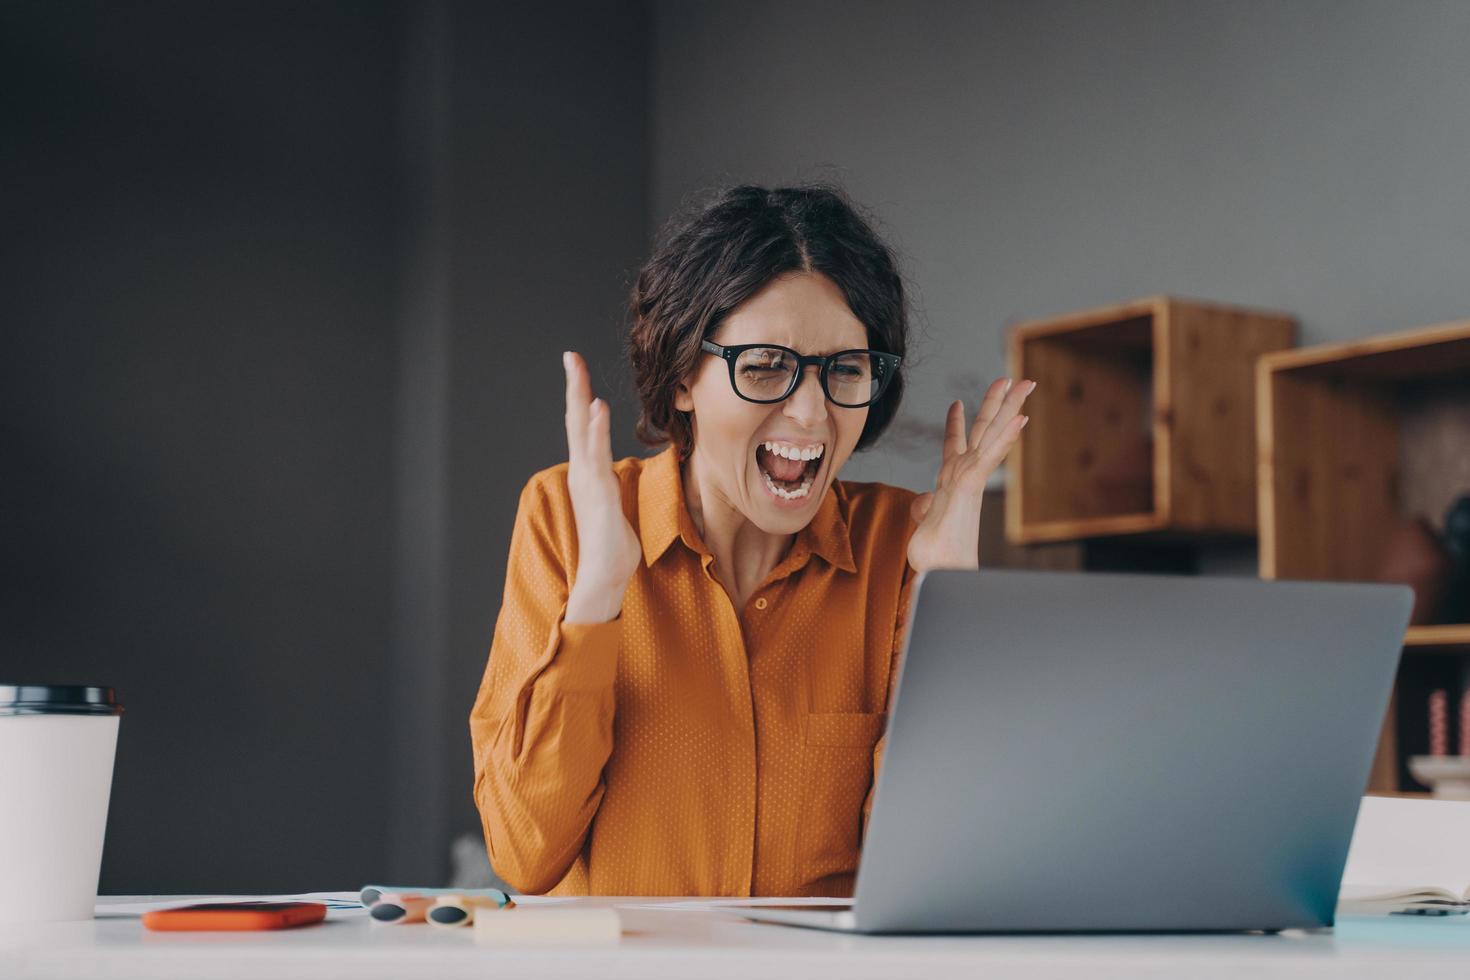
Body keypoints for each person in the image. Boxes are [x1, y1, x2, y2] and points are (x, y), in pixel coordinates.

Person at [469, 183, 1034, 897]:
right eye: (764, 365)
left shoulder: (905, 546)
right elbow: (524, 853)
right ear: (681, 379)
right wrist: (598, 597)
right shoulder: (565, 518)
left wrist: (943, 597)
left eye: (845, 371)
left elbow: (937, 873)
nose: (811, 411)